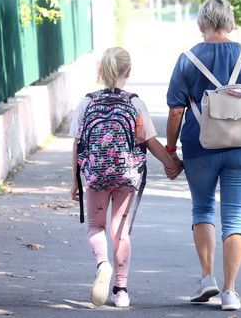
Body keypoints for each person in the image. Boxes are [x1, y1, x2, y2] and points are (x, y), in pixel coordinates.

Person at [165, 0, 241, 311]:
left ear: (201, 25)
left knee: (202, 210)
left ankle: (206, 277)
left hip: (200, 147)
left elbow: (175, 111)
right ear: (231, 24)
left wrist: (171, 150)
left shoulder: (187, 59)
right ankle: (230, 292)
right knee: (235, 217)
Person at [69, 47, 182, 308]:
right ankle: (120, 290)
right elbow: (152, 143)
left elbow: (77, 144)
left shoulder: (87, 103)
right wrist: (172, 165)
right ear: (128, 71)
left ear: (101, 71)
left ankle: (103, 264)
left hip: (95, 176)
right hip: (127, 176)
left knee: (95, 227)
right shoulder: (135, 103)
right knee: (120, 231)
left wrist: (75, 180)